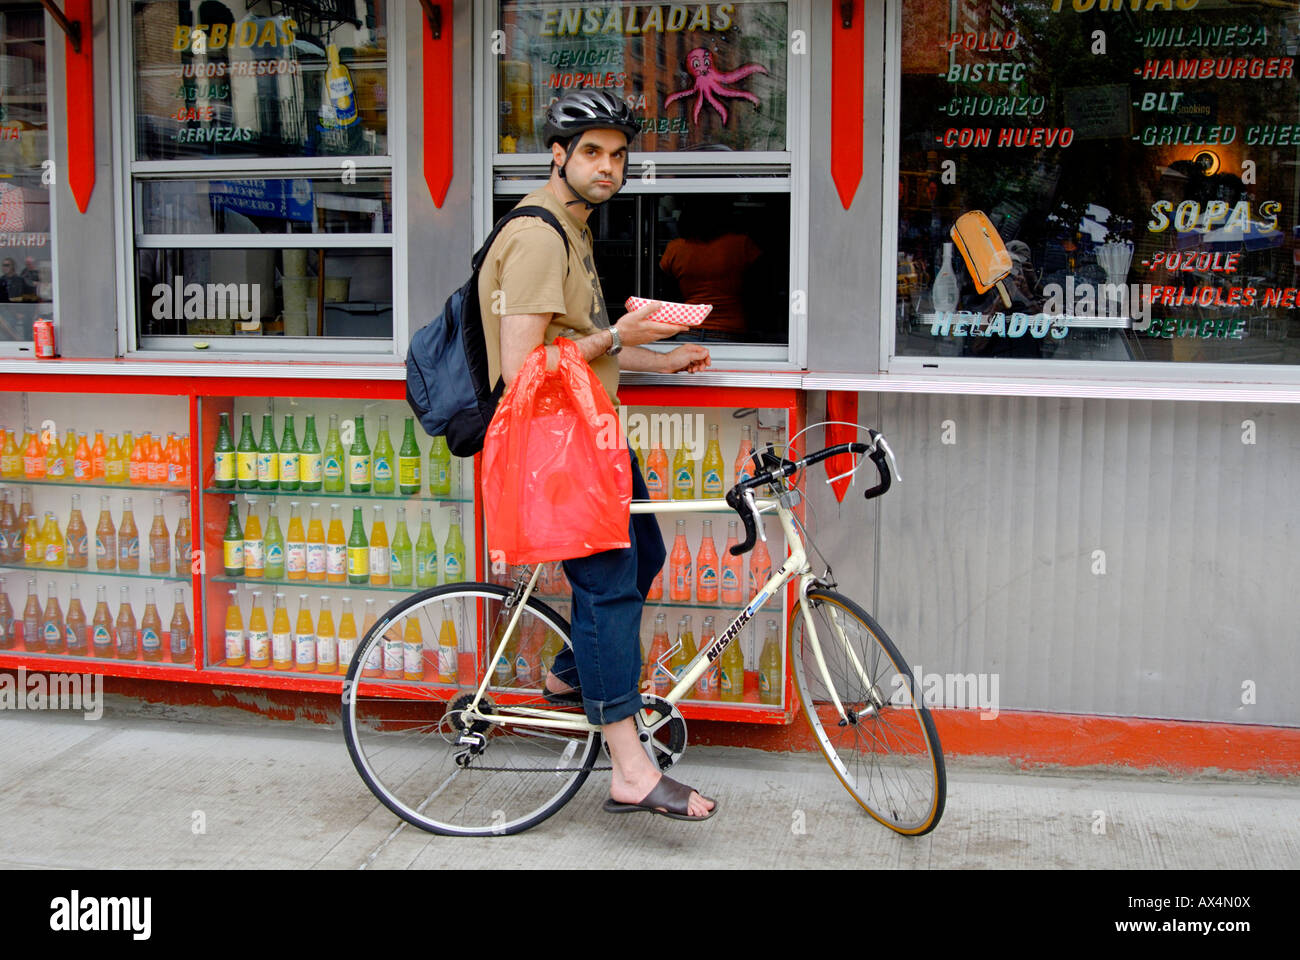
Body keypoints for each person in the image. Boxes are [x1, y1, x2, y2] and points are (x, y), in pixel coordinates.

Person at [477, 90, 717, 821]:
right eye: (591, 152)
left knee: (641, 553)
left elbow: (572, 348)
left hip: (592, 431)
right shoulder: (541, 238)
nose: (607, 167)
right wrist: (620, 337)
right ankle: (630, 767)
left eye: (617, 155)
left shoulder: (572, 230)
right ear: (558, 154)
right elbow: (524, 371)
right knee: (610, 583)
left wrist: (655, 359)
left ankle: (573, 678)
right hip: (558, 445)